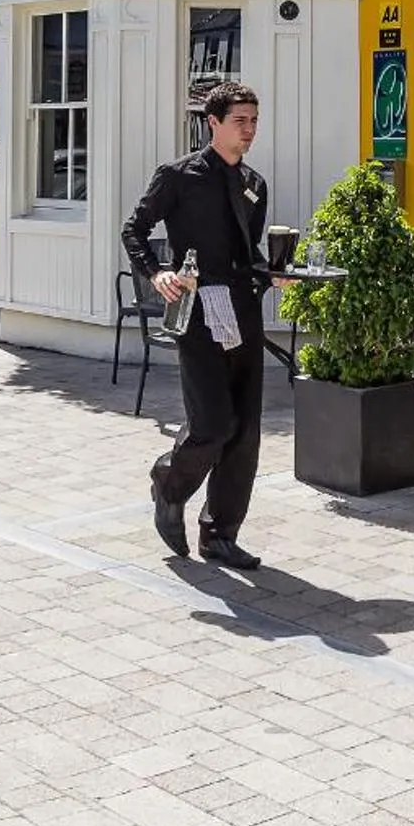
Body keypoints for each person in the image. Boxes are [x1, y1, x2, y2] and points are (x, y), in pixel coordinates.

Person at [122, 81, 281, 570]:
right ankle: (170, 483)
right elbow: (134, 229)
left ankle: (220, 534)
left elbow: (248, 255)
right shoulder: (178, 176)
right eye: (240, 121)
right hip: (196, 310)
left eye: (254, 121)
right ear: (213, 122)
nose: (249, 130)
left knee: (245, 431)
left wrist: (274, 274)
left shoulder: (254, 184)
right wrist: (157, 272)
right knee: (212, 424)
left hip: (242, 311)